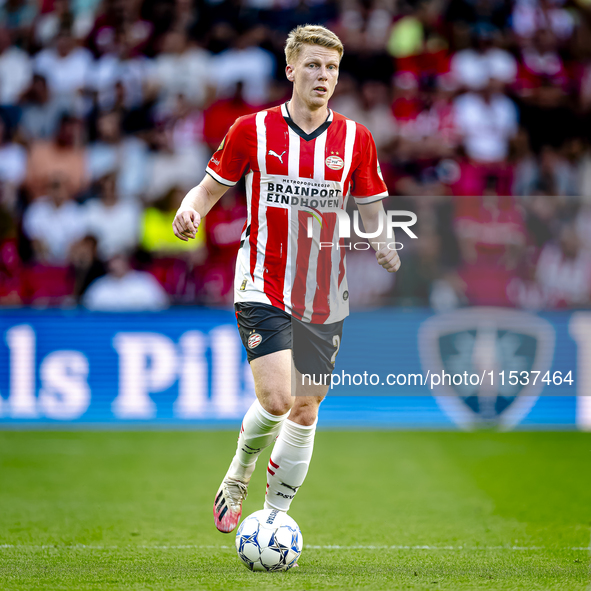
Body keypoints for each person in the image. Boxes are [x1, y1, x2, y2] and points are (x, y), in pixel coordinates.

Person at [172, 25, 401, 534]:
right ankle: (239, 473)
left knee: (304, 409)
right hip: (262, 280)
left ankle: (274, 519)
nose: (324, 76)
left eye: (333, 68)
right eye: (315, 65)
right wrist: (189, 212)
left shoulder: (356, 139)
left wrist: (383, 242)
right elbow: (209, 190)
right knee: (276, 399)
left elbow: (372, 209)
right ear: (290, 69)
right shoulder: (251, 129)